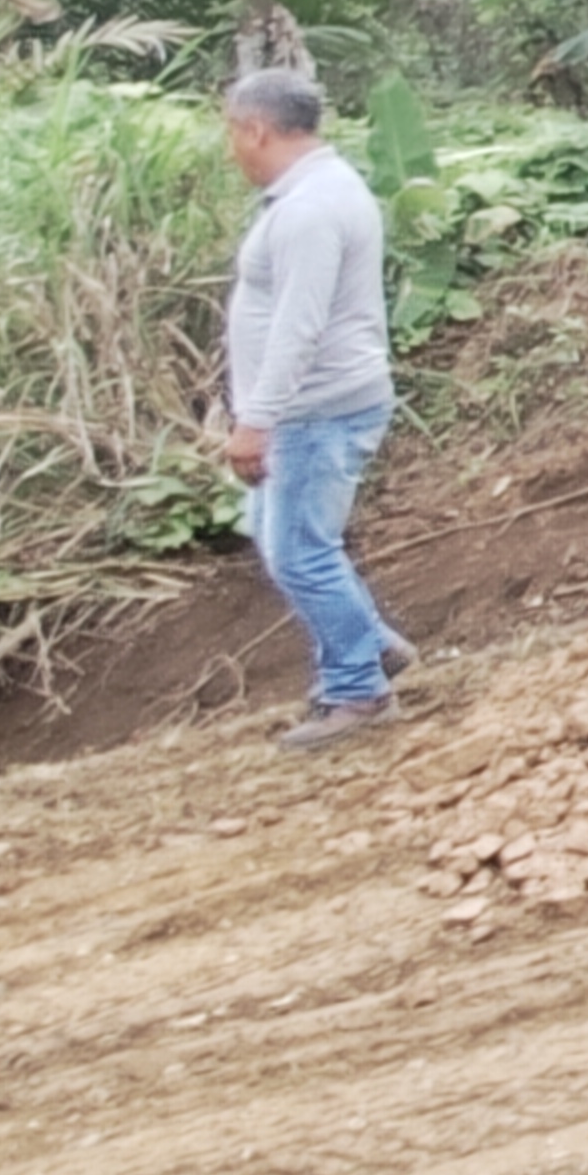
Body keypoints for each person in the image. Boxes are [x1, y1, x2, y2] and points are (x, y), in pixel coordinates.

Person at [217, 67, 410, 746]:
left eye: (231, 133)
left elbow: (299, 328)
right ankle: (369, 642)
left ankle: (359, 691)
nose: (232, 149)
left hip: (314, 408)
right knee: (276, 534)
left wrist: (257, 420)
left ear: (256, 129)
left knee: (300, 551)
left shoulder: (309, 210)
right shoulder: (321, 190)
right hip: (314, 405)